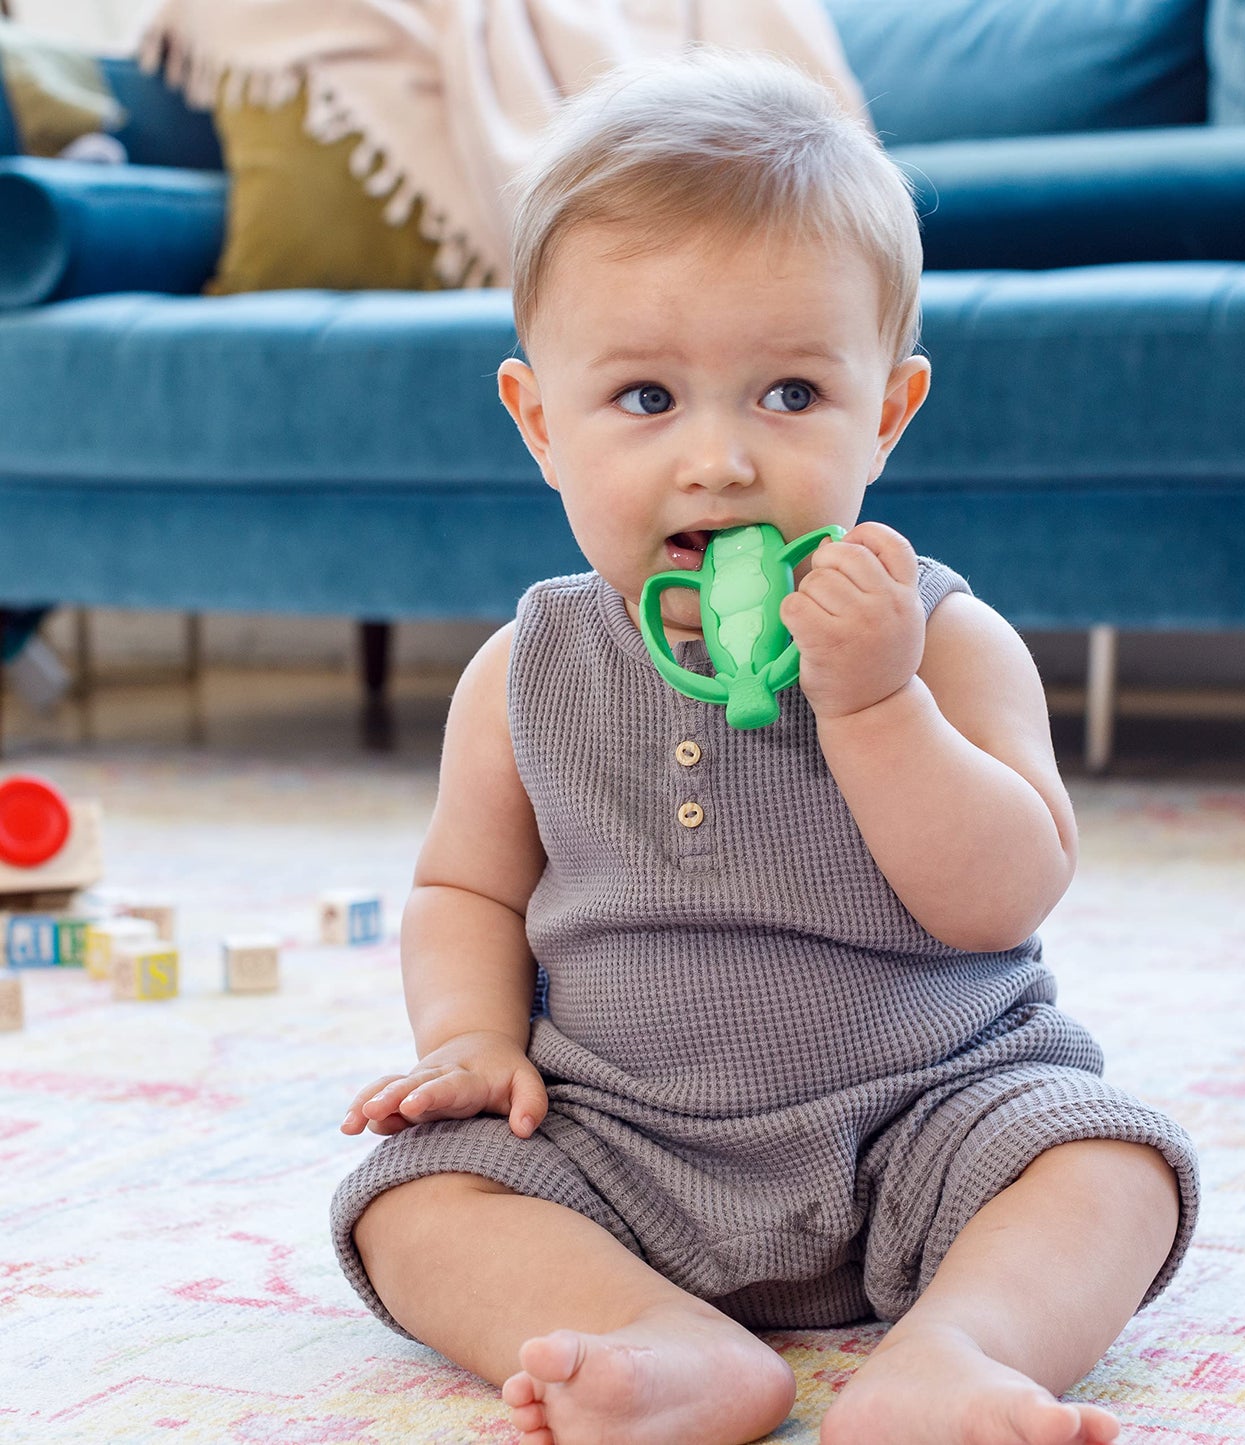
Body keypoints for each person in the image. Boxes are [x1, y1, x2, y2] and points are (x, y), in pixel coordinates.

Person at [332, 49, 1200, 1445]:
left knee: (1112, 1164)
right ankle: (663, 1346)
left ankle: (956, 1354)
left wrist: (874, 704)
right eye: (646, 399)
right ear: (540, 424)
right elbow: (465, 892)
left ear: (889, 410)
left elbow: (1003, 895)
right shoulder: (522, 670)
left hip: (930, 1118)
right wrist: (475, 1039)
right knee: (412, 1197)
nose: (721, 459)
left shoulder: (944, 640)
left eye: (790, 394)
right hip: (623, 1143)